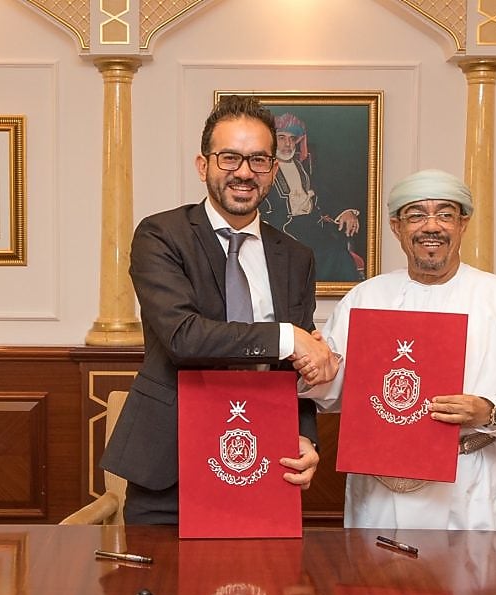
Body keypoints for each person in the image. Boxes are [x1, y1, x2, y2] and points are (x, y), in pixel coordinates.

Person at [102, 95, 336, 525]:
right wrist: (287, 337)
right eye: (229, 157)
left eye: (259, 160)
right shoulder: (161, 235)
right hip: (169, 467)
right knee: (162, 591)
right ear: (202, 164)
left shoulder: (296, 256)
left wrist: (304, 436)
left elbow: (295, 370)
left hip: (265, 458)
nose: (244, 172)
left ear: (272, 170)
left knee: (259, 590)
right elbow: (183, 338)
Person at [302, 169, 496, 530]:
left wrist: (487, 410)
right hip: (383, 490)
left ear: (463, 223)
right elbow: (335, 391)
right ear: (396, 226)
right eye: (416, 215)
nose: (431, 226)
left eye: (444, 214)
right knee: (378, 585)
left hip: (472, 488)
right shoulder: (367, 297)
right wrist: (314, 368)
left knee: (479, 587)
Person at [261, 112, 365, 282]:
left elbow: (324, 194)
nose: (287, 144)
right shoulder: (262, 170)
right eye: (281, 138)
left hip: (312, 226)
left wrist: (345, 211)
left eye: (292, 139)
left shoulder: (305, 167)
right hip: (282, 229)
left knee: (337, 252)